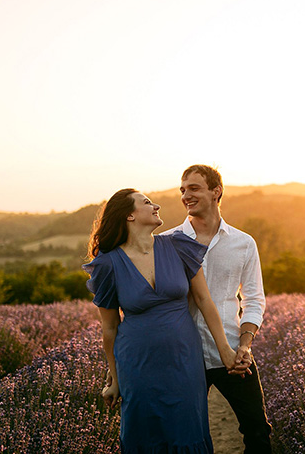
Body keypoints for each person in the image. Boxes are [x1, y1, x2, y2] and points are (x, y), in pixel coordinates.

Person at [84, 188, 247, 453]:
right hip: (137, 365)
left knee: (187, 429)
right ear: (129, 216)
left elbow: (205, 301)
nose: (156, 205)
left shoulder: (178, 245)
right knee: (145, 433)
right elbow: (110, 328)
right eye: (147, 203)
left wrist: (226, 351)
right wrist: (114, 380)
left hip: (183, 360)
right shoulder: (108, 264)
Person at [162, 164, 272, 453]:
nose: (186, 195)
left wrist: (246, 346)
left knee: (258, 432)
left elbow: (254, 299)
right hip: (184, 355)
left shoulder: (243, 243)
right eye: (182, 190)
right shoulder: (167, 243)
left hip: (232, 352)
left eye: (194, 188)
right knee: (182, 435)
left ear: (216, 191)